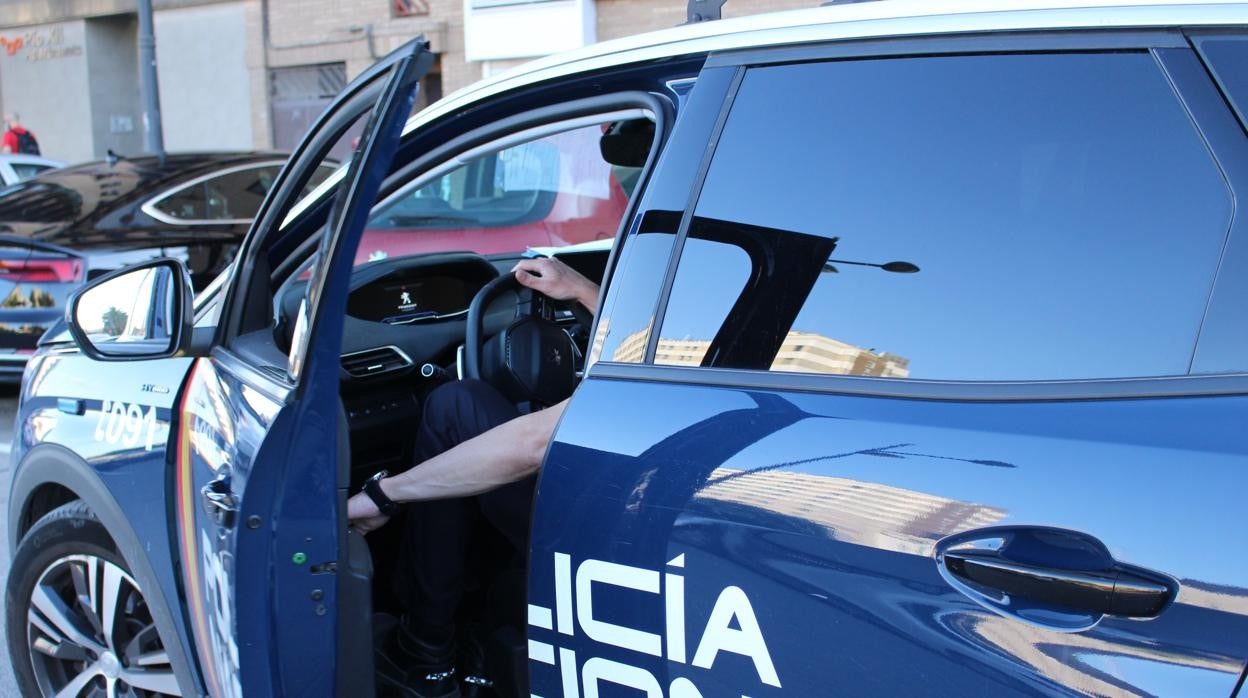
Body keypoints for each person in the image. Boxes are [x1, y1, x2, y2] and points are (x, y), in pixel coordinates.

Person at [347, 255, 599, 698]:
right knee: (463, 402)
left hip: (612, 531)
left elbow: (536, 445)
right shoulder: (751, 325)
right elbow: (663, 346)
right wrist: (582, 291)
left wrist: (384, 494)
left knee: (451, 408)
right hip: (656, 506)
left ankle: (426, 651)